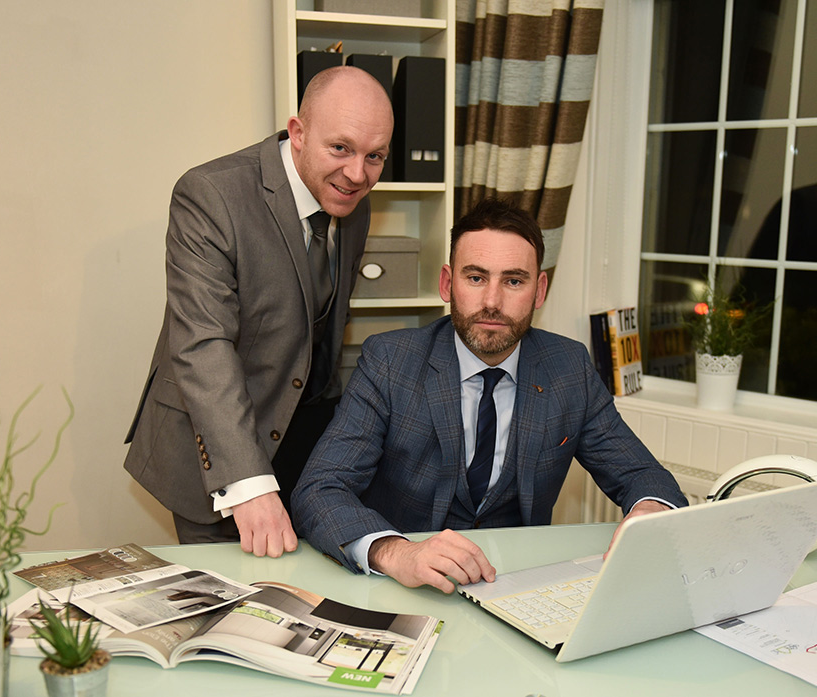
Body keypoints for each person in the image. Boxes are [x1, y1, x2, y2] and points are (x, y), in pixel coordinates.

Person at [291, 199, 688, 593]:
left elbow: (644, 475)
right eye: (476, 278)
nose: (492, 303)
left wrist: (650, 509)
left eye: (513, 281)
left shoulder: (569, 367)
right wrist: (396, 552)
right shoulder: (391, 361)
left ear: (539, 290)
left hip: (516, 587)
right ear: (447, 283)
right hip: (407, 587)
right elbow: (319, 489)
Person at [123, 66, 394, 558]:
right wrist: (249, 484)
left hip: (303, 438)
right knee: (230, 597)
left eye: (374, 156)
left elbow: (322, 323)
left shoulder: (351, 198)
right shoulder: (210, 194)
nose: (358, 174)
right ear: (298, 132)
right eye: (340, 148)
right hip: (218, 449)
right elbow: (202, 345)